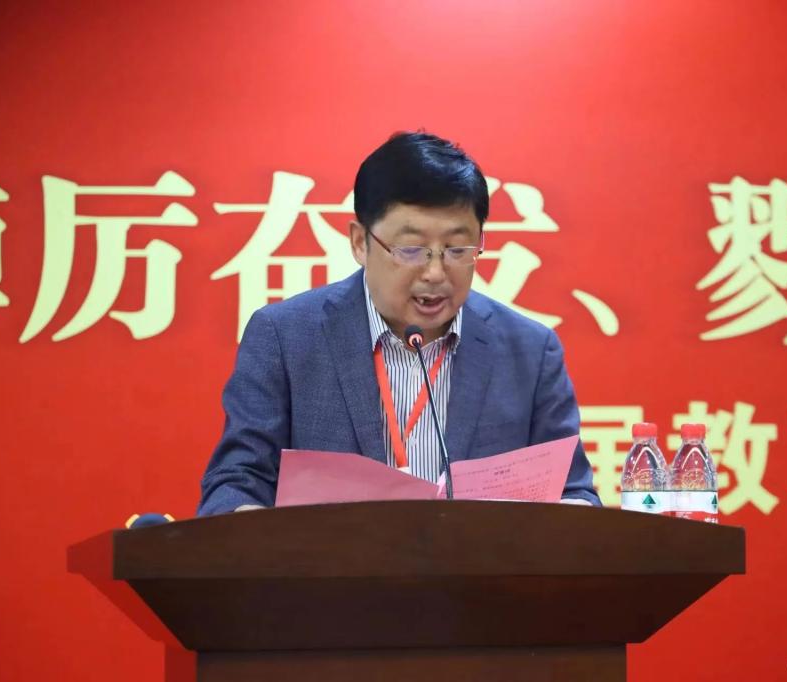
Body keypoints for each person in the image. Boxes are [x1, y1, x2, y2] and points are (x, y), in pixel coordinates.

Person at [197, 131, 599, 515]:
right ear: (360, 242)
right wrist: (256, 529)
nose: (436, 273)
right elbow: (236, 480)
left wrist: (571, 517)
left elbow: (574, 490)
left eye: (457, 249)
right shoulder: (285, 337)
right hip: (329, 564)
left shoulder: (530, 351)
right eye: (411, 249)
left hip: (481, 566)